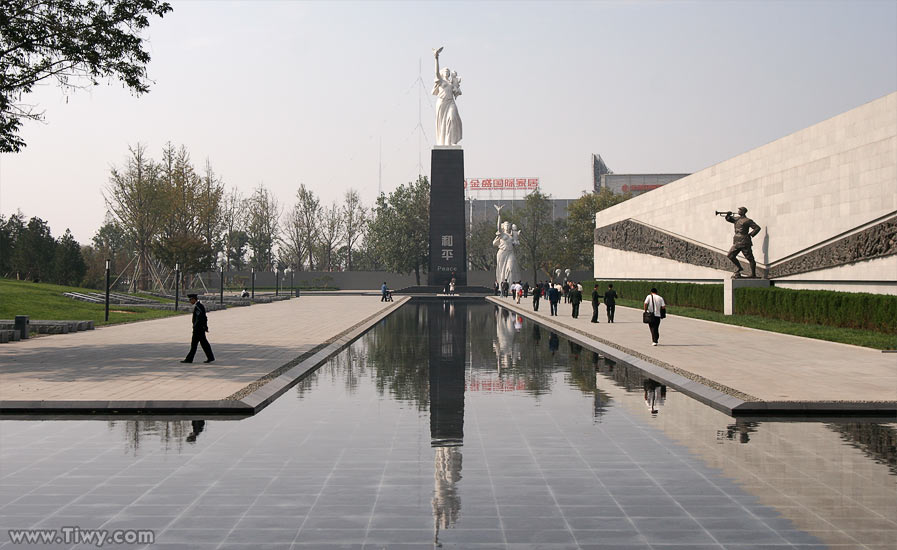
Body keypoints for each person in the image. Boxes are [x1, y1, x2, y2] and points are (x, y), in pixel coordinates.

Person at [432, 47, 462, 146]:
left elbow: (457, 90)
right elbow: (436, 72)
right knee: (442, 125)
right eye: (445, 70)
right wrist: (436, 58)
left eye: (448, 71)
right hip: (442, 103)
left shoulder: (451, 83)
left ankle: (451, 142)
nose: (447, 71)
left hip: (451, 102)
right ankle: (444, 143)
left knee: (452, 118)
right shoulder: (440, 80)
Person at [723, 206, 762, 278]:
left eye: (740, 210)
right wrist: (728, 215)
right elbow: (729, 219)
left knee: (750, 258)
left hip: (744, 241)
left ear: (743, 211)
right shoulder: (736, 219)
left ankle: (753, 274)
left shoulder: (748, 220)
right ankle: (739, 268)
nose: (738, 211)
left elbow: (757, 228)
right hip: (737, 241)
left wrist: (751, 234)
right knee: (730, 255)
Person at [181, 293, 214, 363]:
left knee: (194, 345)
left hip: (198, 329)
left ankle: (189, 359)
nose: (190, 301)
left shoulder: (198, 306)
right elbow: (204, 318)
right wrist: (205, 326)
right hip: (200, 329)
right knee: (204, 344)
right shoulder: (199, 306)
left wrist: (196, 327)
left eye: (190, 300)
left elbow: (200, 318)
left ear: (193, 299)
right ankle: (210, 357)